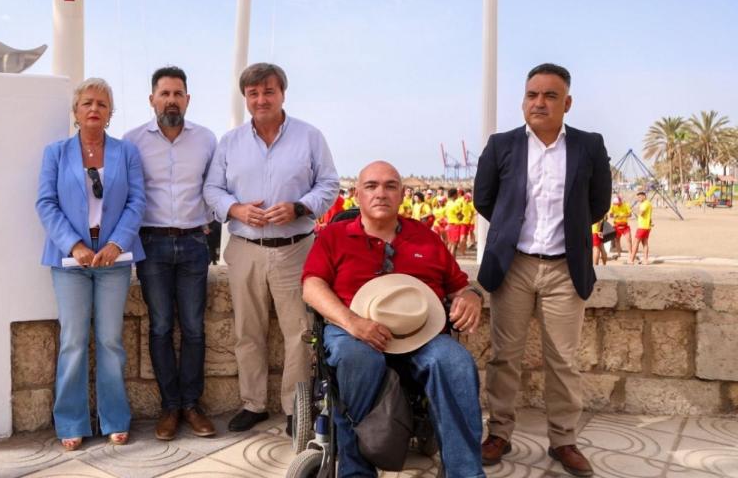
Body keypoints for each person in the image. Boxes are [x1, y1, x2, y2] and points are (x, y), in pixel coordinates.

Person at [302, 161, 484, 478]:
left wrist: (471, 297)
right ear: (357, 193)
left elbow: (460, 287)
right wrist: (352, 322)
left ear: (402, 194)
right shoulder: (334, 236)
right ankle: (356, 471)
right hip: (353, 330)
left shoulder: (426, 238)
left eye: (390, 186)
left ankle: (465, 472)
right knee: (356, 357)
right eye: (371, 186)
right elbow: (312, 286)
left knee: (454, 362)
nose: (381, 193)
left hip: (420, 334)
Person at [474, 63, 611, 477]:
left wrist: (565, 236)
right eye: (533, 94)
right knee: (504, 357)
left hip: (564, 270)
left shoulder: (589, 145)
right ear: (522, 102)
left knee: (563, 361)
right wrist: (511, 232)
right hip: (512, 266)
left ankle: (564, 440)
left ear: (567, 103)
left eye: (550, 96)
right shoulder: (502, 145)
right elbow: (485, 199)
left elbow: (598, 204)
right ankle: (499, 432)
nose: (540, 102)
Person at [204, 62, 339, 433]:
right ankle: (253, 403)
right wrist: (236, 209)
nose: (261, 99)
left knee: (299, 332)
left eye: (268, 91)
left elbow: (329, 184)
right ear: (245, 97)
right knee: (247, 330)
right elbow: (212, 189)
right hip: (244, 248)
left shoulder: (310, 137)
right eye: (253, 93)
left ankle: (296, 409)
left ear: (282, 94)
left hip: (296, 249)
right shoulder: (229, 142)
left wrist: (299, 206)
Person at [35, 77, 146, 451]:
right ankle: (70, 420)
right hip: (70, 261)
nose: (94, 109)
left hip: (115, 259)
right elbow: (45, 203)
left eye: (101, 103)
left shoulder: (126, 152)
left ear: (110, 113)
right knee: (73, 341)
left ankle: (115, 417)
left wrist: (116, 243)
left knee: (111, 341)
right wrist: (75, 244)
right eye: (87, 103)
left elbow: (137, 202)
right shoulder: (56, 153)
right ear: (76, 111)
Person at [123, 66, 218, 441]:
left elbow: (215, 187)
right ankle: (169, 406)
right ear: (152, 99)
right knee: (161, 327)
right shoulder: (133, 142)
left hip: (195, 243)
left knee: (194, 328)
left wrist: (209, 224)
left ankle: (192, 405)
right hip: (153, 244)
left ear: (188, 99)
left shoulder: (207, 140)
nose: (171, 100)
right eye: (164, 94)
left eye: (178, 93)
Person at [630, 191, 653, 264]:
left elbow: (641, 213)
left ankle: (631, 260)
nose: (639, 199)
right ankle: (645, 260)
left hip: (642, 227)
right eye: (638, 197)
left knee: (635, 243)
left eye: (640, 197)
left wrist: (634, 210)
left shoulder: (644, 204)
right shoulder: (648, 203)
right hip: (647, 227)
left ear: (644, 196)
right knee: (645, 243)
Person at [609, 194, 632, 260]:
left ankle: (630, 253)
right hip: (616, 225)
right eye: (616, 204)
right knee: (617, 240)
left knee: (629, 239)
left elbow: (630, 214)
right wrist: (613, 215)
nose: (617, 205)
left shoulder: (626, 205)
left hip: (625, 225)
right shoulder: (613, 206)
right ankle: (619, 253)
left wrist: (624, 215)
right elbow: (610, 215)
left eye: (618, 203)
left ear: (620, 201)